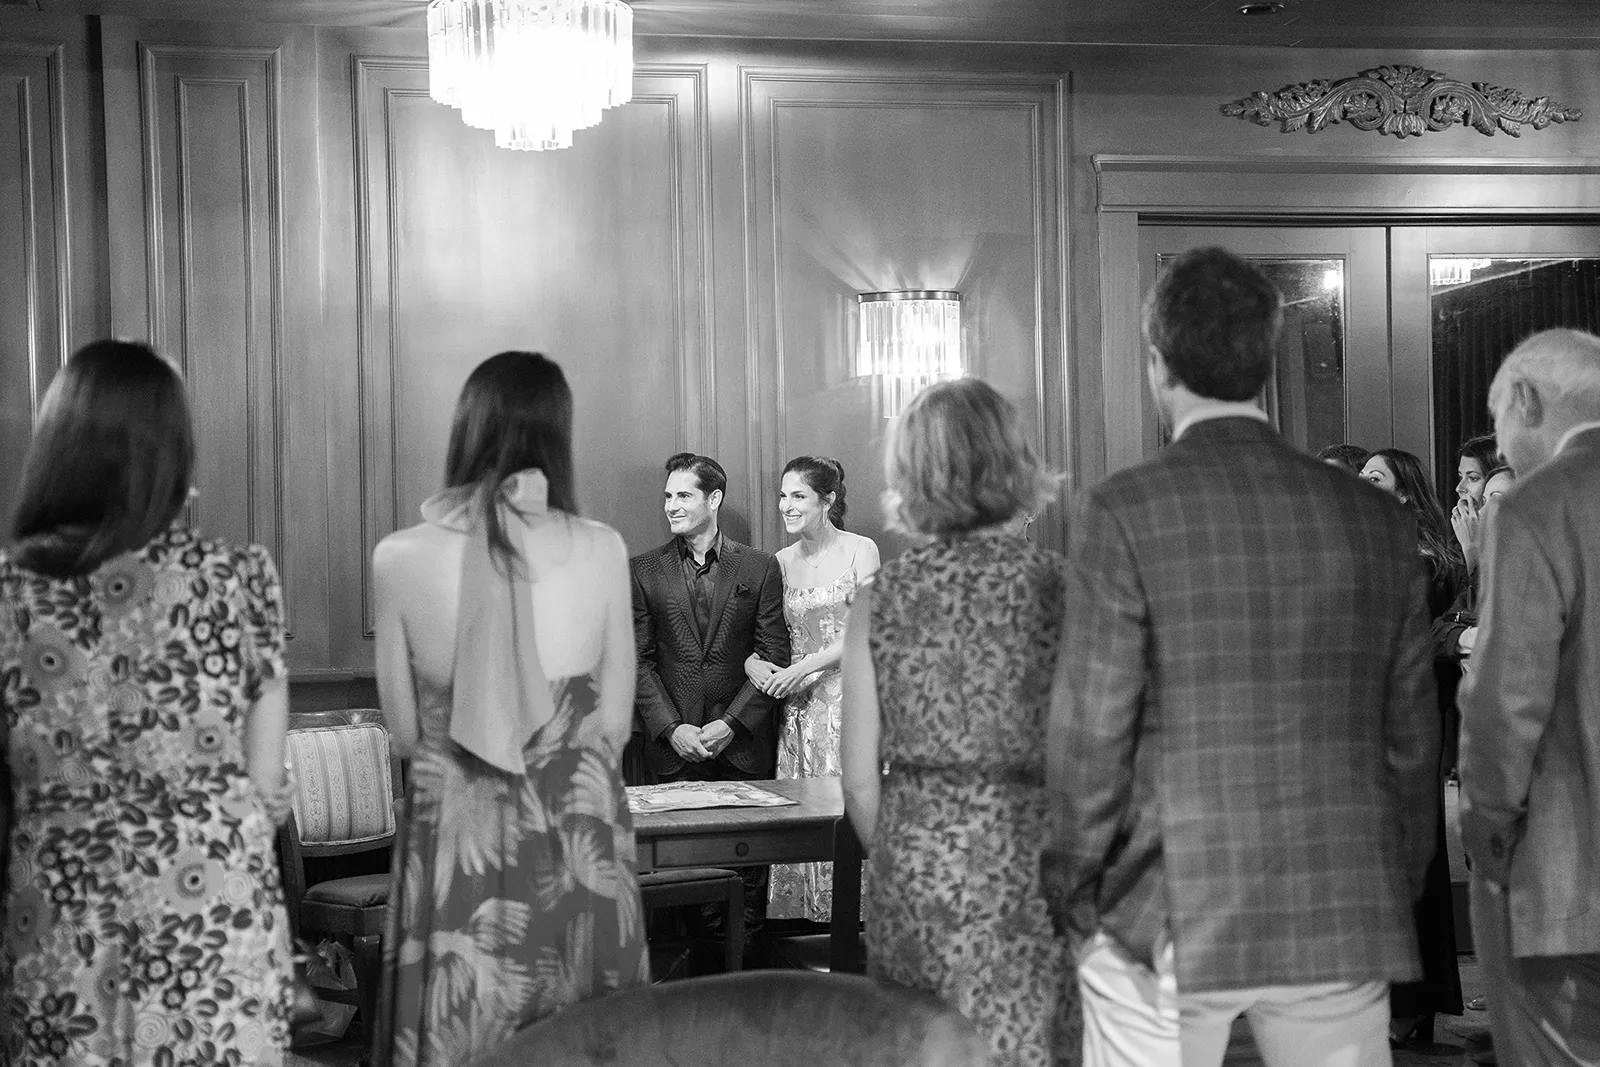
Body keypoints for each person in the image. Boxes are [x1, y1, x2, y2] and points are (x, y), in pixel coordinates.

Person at [1042, 247, 1438, 1067]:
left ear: (1157, 364)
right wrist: (1393, 876)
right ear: (1265, 361)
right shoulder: (1376, 518)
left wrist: (1072, 888)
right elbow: (1411, 741)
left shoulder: (1123, 509)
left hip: (1165, 898)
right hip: (1339, 892)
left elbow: (1092, 732)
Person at [0, 340, 295, 1066]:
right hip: (215, 926)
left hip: (59, 929)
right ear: (174, 455)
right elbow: (264, 783)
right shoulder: (237, 579)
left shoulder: (9, 593)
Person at [371, 351, 648, 1065]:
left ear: (466, 428)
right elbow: (615, 723)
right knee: (588, 1036)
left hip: (456, 840)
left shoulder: (398, 556)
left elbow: (404, 735)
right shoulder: (603, 548)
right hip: (575, 833)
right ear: (560, 436)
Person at [841, 378, 1076, 1067]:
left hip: (917, 860)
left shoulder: (880, 596)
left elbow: (857, 780)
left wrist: (900, 859)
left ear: (911, 473)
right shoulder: (1062, 584)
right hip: (1034, 856)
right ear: (1014, 462)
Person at [1459, 327, 1600, 1065]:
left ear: (1524, 399)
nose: (1504, 454)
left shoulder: (1537, 504)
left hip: (1568, 876)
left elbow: (1508, 700)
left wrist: (1486, 832)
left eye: (1504, 429)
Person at [632, 453, 790, 949]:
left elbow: (773, 655)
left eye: (683, 495)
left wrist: (732, 724)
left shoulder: (760, 567)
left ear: (713, 499)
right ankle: (698, 985)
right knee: (689, 875)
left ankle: (752, 983)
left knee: (749, 875)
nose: (671, 506)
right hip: (673, 747)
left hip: (741, 746)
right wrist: (671, 728)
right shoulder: (643, 570)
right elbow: (638, 661)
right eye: (667, 496)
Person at [1359, 446, 1468, 1043]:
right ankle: (1399, 1000)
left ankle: (1414, 1003)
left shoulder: (1421, 560)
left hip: (1407, 726)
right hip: (1377, 722)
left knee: (1413, 865)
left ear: (1403, 492)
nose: (1362, 484)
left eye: (1375, 477)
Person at [754, 457, 878, 923]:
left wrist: (803, 666)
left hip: (849, 703)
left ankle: (857, 928)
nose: (785, 505)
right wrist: (755, 663)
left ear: (827, 501)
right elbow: (765, 635)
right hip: (798, 708)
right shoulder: (779, 562)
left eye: (798, 496)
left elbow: (862, 631)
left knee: (849, 809)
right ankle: (806, 927)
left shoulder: (859, 550)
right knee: (804, 817)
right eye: (783, 495)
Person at [1450, 433, 1500, 573]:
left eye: (1472, 478)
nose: (1459, 488)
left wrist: (1472, 550)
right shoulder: (1458, 540)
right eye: (1460, 476)